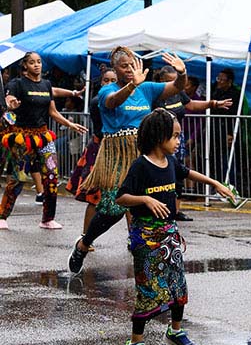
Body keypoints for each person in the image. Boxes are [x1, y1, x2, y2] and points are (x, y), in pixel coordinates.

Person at [117, 108, 233, 345]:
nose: (179, 141)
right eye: (175, 136)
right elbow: (121, 197)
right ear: (159, 137)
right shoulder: (141, 166)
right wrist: (145, 199)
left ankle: (176, 330)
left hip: (169, 233)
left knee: (178, 284)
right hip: (145, 236)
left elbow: (188, 173)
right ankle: (135, 342)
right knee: (148, 288)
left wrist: (215, 184)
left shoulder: (170, 162)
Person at [68, 47, 188, 275]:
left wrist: (182, 73)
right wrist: (132, 85)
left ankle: (144, 249)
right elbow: (112, 102)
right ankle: (83, 244)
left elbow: (177, 87)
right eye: (124, 66)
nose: (130, 69)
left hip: (145, 152)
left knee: (151, 200)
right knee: (113, 208)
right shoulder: (108, 90)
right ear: (115, 69)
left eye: (133, 65)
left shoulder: (147, 88)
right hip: (118, 155)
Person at [0, 52, 88, 230]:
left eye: (39, 62)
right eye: (32, 62)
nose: (36, 65)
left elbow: (53, 112)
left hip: (43, 137)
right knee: (18, 179)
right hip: (23, 138)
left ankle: (48, 219)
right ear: (25, 66)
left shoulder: (46, 84)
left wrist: (70, 124)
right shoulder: (17, 84)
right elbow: (9, 99)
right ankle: (2, 216)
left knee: (52, 177)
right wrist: (11, 104)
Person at [154, 66, 232, 221]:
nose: (174, 85)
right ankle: (158, 208)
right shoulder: (154, 93)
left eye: (176, 81)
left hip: (177, 138)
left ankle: (175, 210)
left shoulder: (178, 92)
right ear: (161, 80)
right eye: (170, 81)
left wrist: (213, 104)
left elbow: (191, 105)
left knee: (179, 172)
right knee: (161, 173)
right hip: (160, 139)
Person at [66, 67, 118, 248]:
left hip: (121, 151)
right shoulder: (97, 101)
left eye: (113, 81)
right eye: (106, 80)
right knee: (94, 197)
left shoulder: (126, 99)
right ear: (100, 83)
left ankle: (132, 238)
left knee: (127, 195)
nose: (109, 84)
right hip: (100, 149)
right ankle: (85, 238)